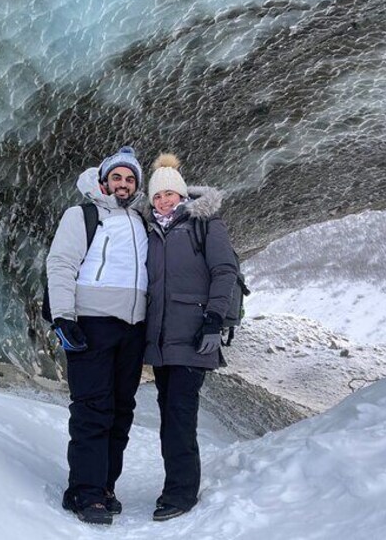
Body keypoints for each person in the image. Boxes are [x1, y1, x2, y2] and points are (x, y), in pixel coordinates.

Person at [45, 146, 148, 525]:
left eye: (130, 179)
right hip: (92, 323)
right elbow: (60, 264)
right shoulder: (82, 215)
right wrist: (63, 316)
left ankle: (105, 485)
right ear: (104, 180)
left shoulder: (140, 220)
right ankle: (83, 492)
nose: (123, 184)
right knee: (93, 409)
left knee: (121, 410)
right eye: (117, 177)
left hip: (132, 329)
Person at [143, 153, 238, 521]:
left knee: (180, 415)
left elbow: (225, 270)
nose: (164, 200)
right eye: (157, 196)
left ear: (182, 195)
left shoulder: (205, 225)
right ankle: (176, 486)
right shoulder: (152, 230)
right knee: (169, 415)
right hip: (163, 343)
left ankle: (181, 494)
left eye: (170, 194)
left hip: (194, 336)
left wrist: (213, 320)